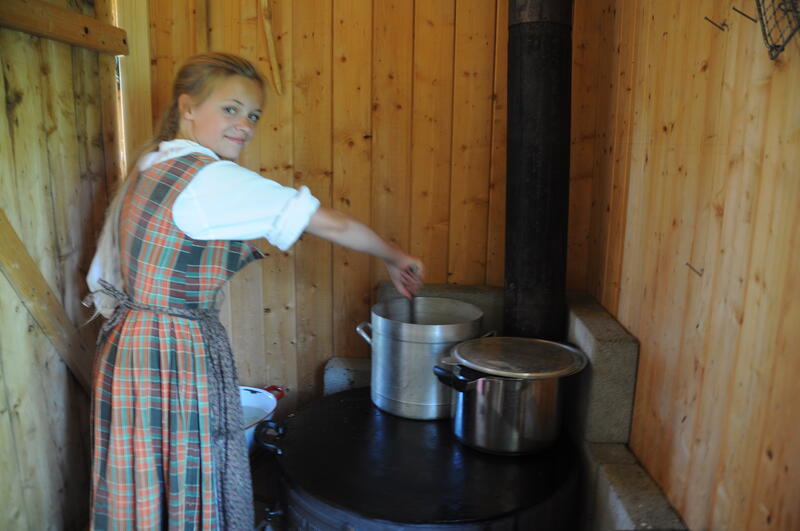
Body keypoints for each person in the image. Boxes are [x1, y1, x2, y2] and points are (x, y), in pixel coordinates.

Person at [84, 52, 423, 530]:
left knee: (143, 479)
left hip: (127, 346)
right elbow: (328, 221)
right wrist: (393, 255)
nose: (244, 124)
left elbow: (104, 273)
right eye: (230, 109)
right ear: (187, 107)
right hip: (173, 352)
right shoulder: (209, 178)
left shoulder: (151, 164)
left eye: (253, 115)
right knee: (184, 478)